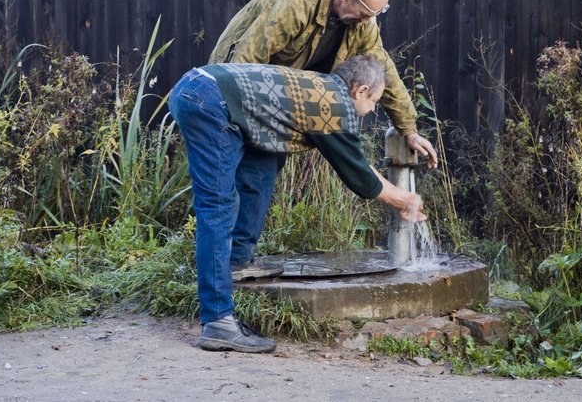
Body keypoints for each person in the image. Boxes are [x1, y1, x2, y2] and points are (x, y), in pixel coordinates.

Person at [168, 55, 426, 353]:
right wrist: (403, 198)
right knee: (217, 206)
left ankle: (236, 262)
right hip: (207, 100)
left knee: (261, 172)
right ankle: (218, 322)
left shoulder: (322, 87)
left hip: (206, 91)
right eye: (374, 101)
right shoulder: (334, 104)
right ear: (360, 90)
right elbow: (359, 174)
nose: (370, 111)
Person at [208, 0, 438, 276]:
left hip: (284, 102)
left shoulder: (362, 24)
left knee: (262, 169)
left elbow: (384, 71)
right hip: (235, 93)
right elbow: (248, 57)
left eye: (376, 14)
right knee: (233, 173)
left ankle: (235, 262)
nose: (368, 21)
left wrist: (408, 129)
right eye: (365, 13)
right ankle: (217, 267)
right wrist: (239, 111)